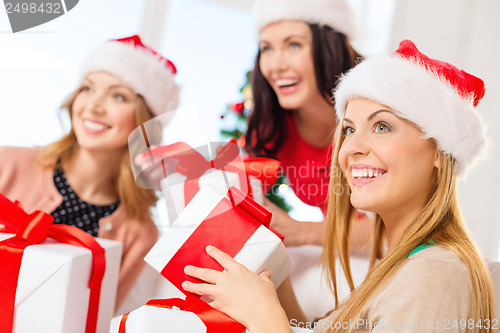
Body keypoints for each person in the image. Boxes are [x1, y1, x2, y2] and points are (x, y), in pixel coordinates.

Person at [182, 39, 495, 333]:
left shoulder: (433, 274)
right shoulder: (401, 264)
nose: (351, 149)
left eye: (382, 126)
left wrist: (266, 319)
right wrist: (271, 271)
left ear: (439, 152)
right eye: (349, 129)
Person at [0, 35, 180, 312]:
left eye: (118, 95)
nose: (93, 106)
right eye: (87, 88)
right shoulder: (7, 163)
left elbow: (96, 320)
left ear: (144, 122)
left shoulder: (140, 234)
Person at [244, 0, 373, 320]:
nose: (276, 65)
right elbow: (242, 189)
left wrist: (299, 231)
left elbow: (390, 228)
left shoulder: (373, 112)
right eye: (267, 49)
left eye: (294, 45)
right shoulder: (274, 126)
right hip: (338, 253)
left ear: (329, 45)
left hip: (387, 252)